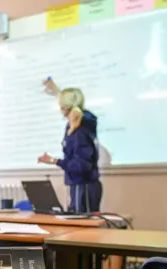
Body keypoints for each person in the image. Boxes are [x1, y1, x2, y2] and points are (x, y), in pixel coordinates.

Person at [38, 78, 102, 213]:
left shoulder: (79, 132)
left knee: (82, 230)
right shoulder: (81, 124)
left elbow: (80, 166)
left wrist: (54, 161)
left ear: (64, 107)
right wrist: (56, 91)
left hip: (83, 187)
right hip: (81, 186)